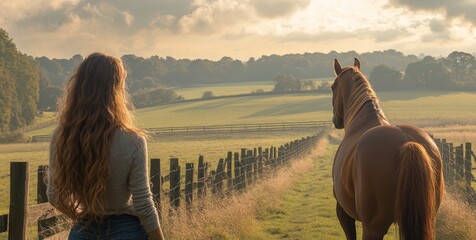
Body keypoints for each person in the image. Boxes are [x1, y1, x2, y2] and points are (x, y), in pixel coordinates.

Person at [47, 52, 165, 240]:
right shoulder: (132, 140)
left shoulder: (61, 137)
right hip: (127, 230)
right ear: (116, 89)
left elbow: (54, 195)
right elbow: (143, 202)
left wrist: (79, 216)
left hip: (84, 231)